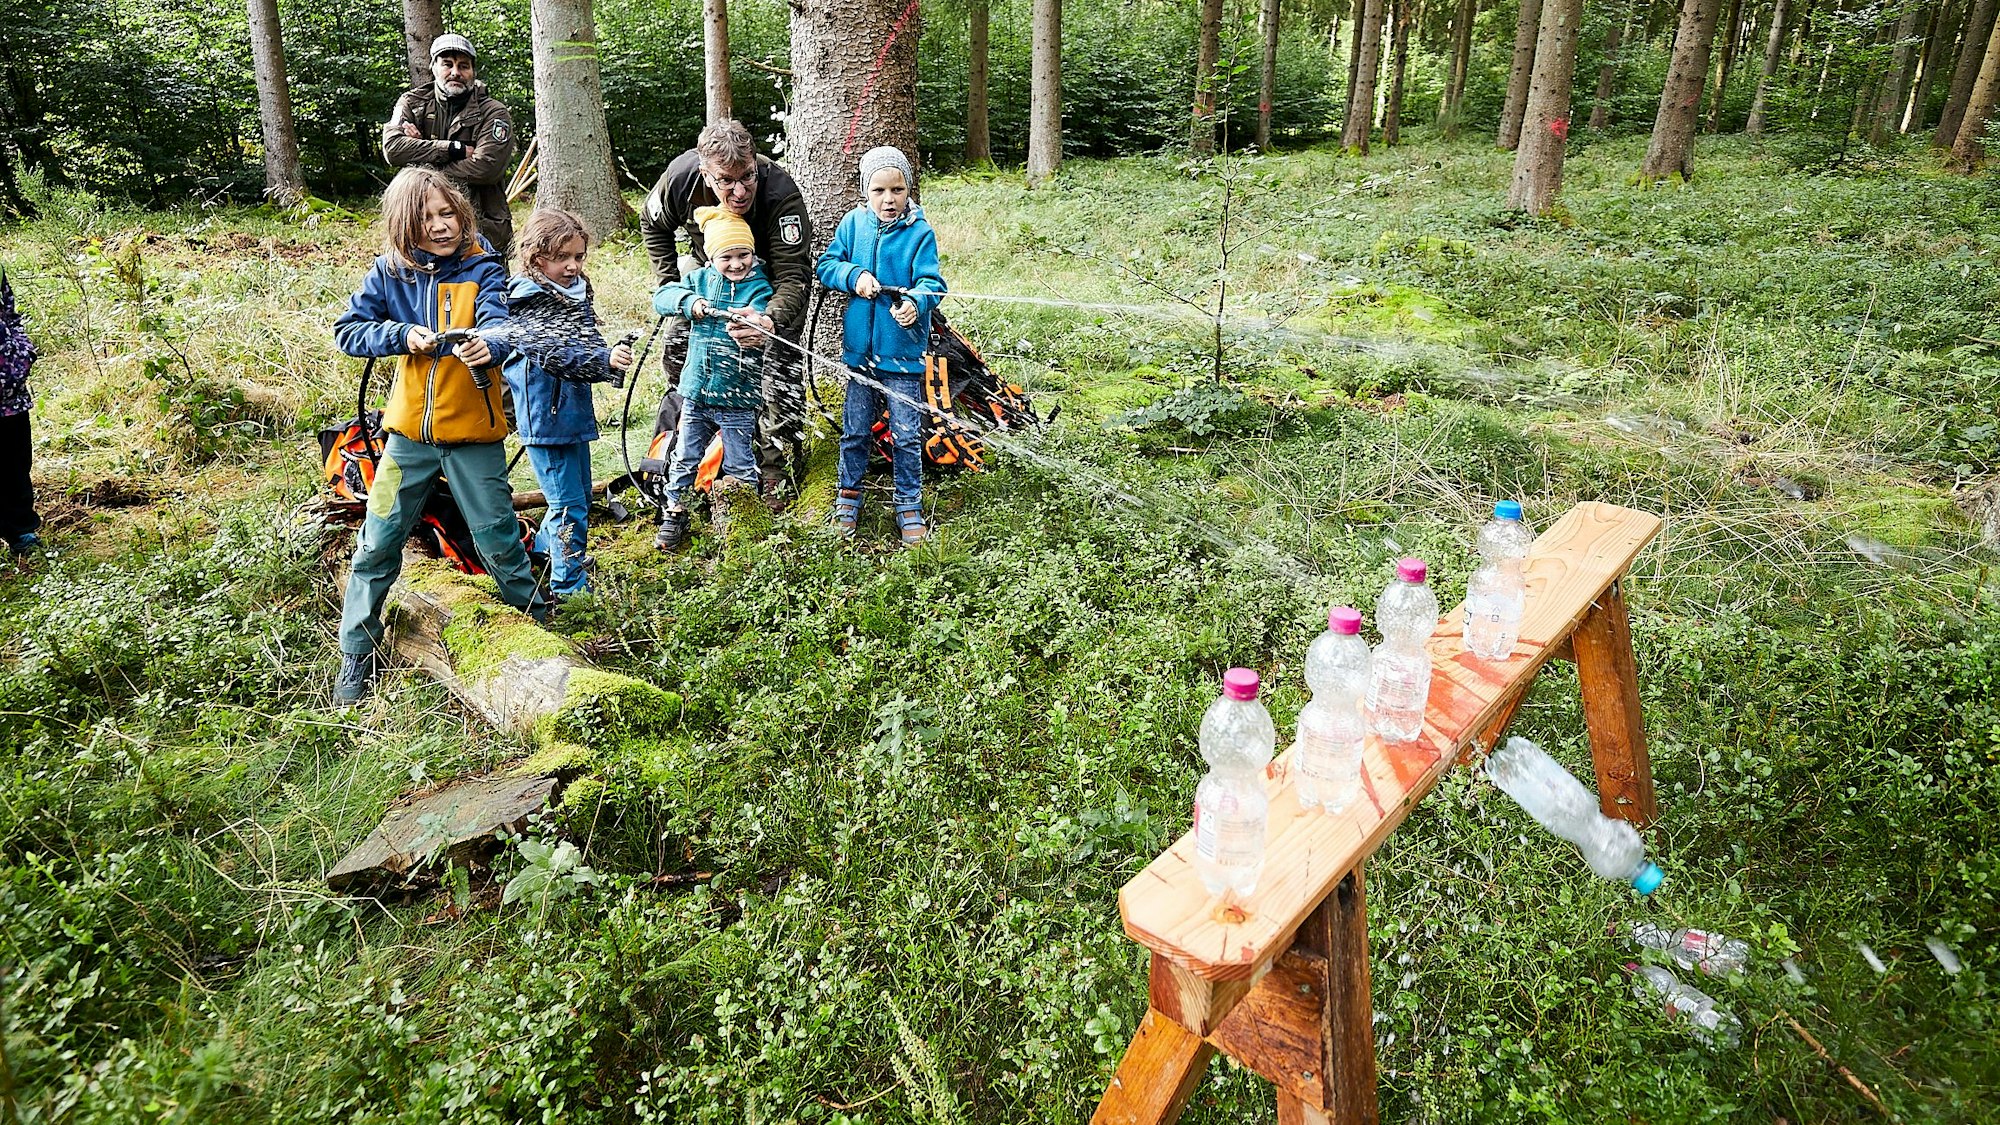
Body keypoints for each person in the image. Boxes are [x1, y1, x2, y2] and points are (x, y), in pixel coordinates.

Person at [331, 167, 542, 703]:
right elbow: (348, 330)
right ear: (405, 226)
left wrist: (488, 345)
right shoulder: (389, 273)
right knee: (378, 541)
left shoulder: (483, 267)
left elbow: (504, 324)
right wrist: (403, 336)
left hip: (474, 434)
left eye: (448, 214)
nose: (441, 226)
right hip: (406, 438)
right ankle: (357, 652)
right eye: (426, 219)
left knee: (497, 538)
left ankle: (536, 634)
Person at [638, 119, 811, 532]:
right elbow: (652, 223)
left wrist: (768, 319)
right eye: (726, 181)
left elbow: (794, 277)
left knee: (778, 368)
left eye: (747, 176)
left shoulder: (780, 194)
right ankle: (695, 447)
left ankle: (773, 471)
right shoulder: (680, 179)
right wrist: (675, 285)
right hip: (708, 278)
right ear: (704, 172)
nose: (739, 191)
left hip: (766, 289)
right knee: (680, 354)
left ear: (756, 165)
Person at [815, 146, 947, 547]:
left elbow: (933, 284)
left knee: (906, 434)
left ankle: (909, 505)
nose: (888, 200)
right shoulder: (853, 225)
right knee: (855, 431)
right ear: (864, 192)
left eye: (897, 189)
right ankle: (848, 498)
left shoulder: (919, 232)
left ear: (909, 190)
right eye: (878, 190)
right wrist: (854, 276)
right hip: (859, 355)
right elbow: (826, 266)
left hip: (903, 356)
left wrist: (915, 303)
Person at [499, 208, 635, 596]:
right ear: (537, 257)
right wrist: (601, 360)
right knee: (568, 505)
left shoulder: (574, 290)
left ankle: (544, 555)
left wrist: (610, 356)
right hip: (546, 418)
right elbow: (555, 354)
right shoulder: (528, 298)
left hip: (573, 413)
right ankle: (568, 586)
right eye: (563, 259)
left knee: (577, 494)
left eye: (579, 257)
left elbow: (586, 339)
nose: (573, 266)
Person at [647, 207, 775, 551]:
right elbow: (662, 297)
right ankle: (674, 511)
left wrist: (754, 321)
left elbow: (762, 312)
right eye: (727, 257)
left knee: (741, 463)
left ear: (753, 254)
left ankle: (745, 518)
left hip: (737, 399)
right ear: (711, 255)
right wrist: (691, 303)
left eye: (743, 255)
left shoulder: (759, 286)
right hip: (696, 395)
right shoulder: (699, 280)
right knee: (685, 456)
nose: (736, 264)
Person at [382, 33, 517, 258]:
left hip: (481, 225)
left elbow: (486, 168)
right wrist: (453, 149)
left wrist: (419, 157)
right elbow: (394, 149)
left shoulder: (493, 112)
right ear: (433, 67)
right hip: (422, 223)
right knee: (423, 289)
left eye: (463, 66)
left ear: (473, 72)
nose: (456, 72)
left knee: (487, 289)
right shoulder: (412, 103)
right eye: (447, 64)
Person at [0, 267, 40, 558]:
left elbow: (10, 312)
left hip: (9, 395)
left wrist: (21, 352)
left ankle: (21, 532)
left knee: (15, 463)